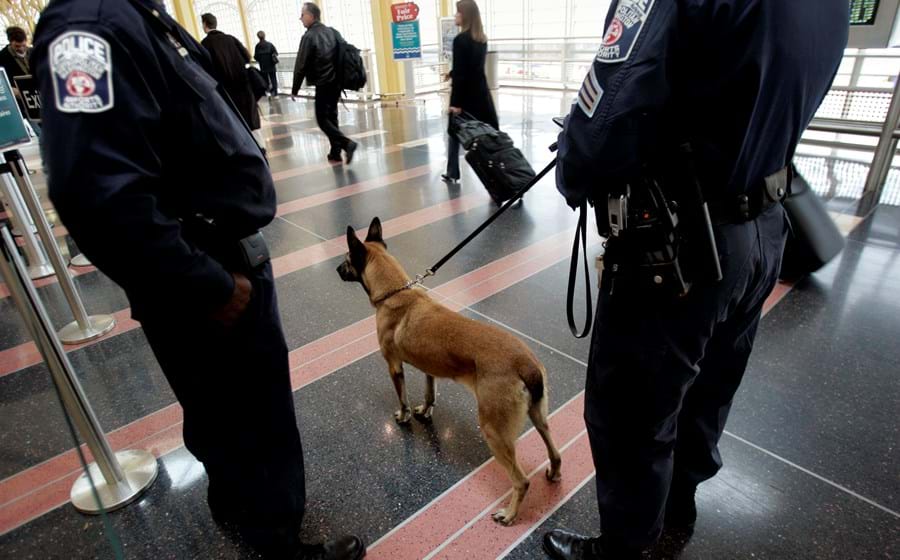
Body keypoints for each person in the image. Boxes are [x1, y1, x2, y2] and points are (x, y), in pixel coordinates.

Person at [31, 1, 365, 559]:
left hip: (210, 254)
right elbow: (94, 193)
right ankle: (277, 544)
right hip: (205, 271)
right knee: (253, 419)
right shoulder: (91, 26)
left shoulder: (131, 14)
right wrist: (209, 284)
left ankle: (241, 512)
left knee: (224, 414)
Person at [544, 1, 848, 559]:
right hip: (765, 224)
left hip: (678, 245)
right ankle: (678, 503)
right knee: (709, 385)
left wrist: (574, 163)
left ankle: (626, 547)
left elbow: (607, 115)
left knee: (632, 411)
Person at [291, 2, 358, 164]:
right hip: (336, 83)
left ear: (310, 16)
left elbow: (301, 65)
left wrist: (295, 88)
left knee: (322, 119)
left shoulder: (309, 36)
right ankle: (335, 152)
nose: (300, 18)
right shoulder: (332, 32)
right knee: (332, 117)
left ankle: (346, 143)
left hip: (323, 82)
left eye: (302, 15)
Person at [442, 0, 497, 185]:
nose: (455, 16)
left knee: (454, 130)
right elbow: (471, 68)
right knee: (488, 137)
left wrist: (455, 103)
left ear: (465, 15)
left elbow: (462, 76)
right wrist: (452, 73)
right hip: (481, 96)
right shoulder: (481, 39)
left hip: (465, 98)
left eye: (457, 13)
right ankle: (498, 175)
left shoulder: (460, 40)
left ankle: (452, 172)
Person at [201, 13, 261, 132]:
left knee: (234, 123)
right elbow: (247, 57)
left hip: (224, 90)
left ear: (204, 24)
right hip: (243, 85)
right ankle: (259, 146)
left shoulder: (205, 44)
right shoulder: (231, 38)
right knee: (250, 120)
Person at [255, 30, 280, 96]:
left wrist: (261, 60)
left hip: (263, 66)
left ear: (258, 37)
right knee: (273, 79)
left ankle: (268, 92)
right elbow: (276, 53)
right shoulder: (270, 44)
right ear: (264, 36)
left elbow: (256, 57)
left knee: (265, 80)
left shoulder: (257, 46)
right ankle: (275, 92)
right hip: (271, 65)